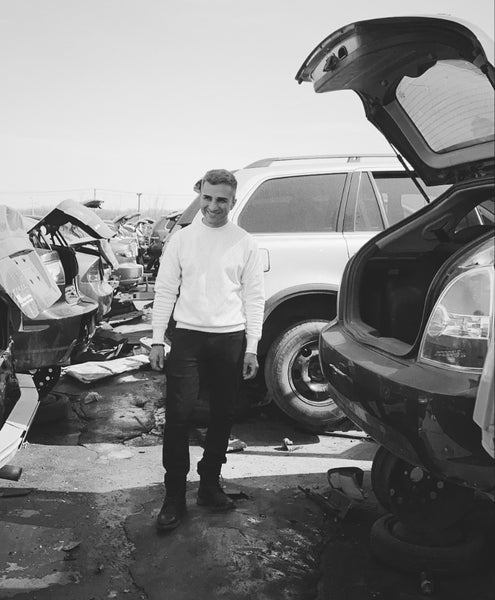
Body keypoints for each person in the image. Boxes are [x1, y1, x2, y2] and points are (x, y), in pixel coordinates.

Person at [149, 169, 265, 531]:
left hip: (229, 340)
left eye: (222, 200)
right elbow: (165, 290)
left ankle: (210, 485)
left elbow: (254, 298)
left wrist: (252, 348)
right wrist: (156, 339)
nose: (214, 206)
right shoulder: (182, 240)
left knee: (223, 415)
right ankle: (174, 497)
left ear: (233, 201)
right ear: (200, 195)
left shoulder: (245, 243)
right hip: (187, 339)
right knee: (178, 418)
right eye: (208, 198)